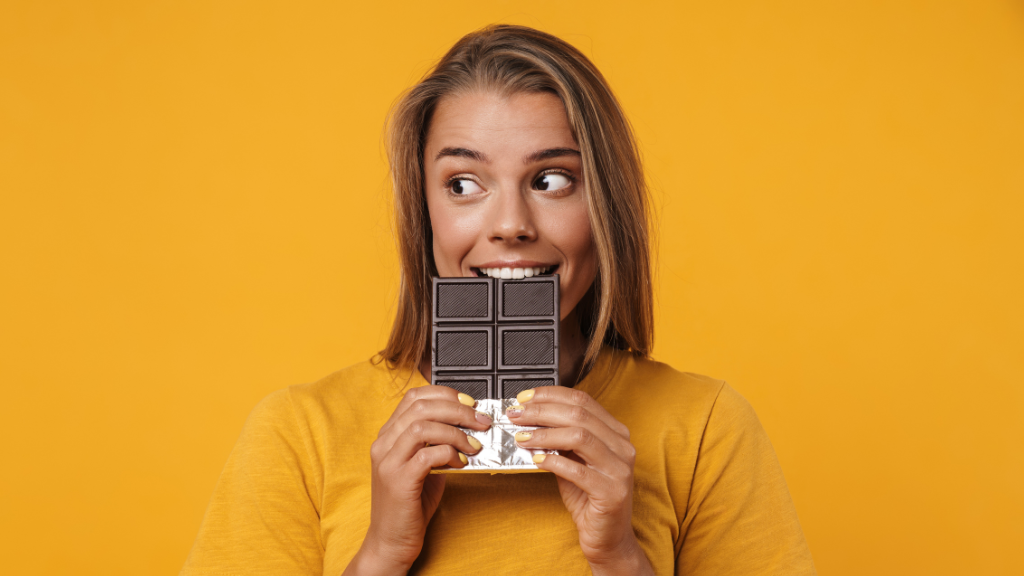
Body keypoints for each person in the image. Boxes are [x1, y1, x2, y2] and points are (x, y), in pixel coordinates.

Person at [181, 25, 816, 576]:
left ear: (604, 208)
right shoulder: (300, 435)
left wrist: (619, 556)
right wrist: (380, 554)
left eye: (550, 180)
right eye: (463, 183)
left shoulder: (705, 428)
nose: (510, 223)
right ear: (423, 212)